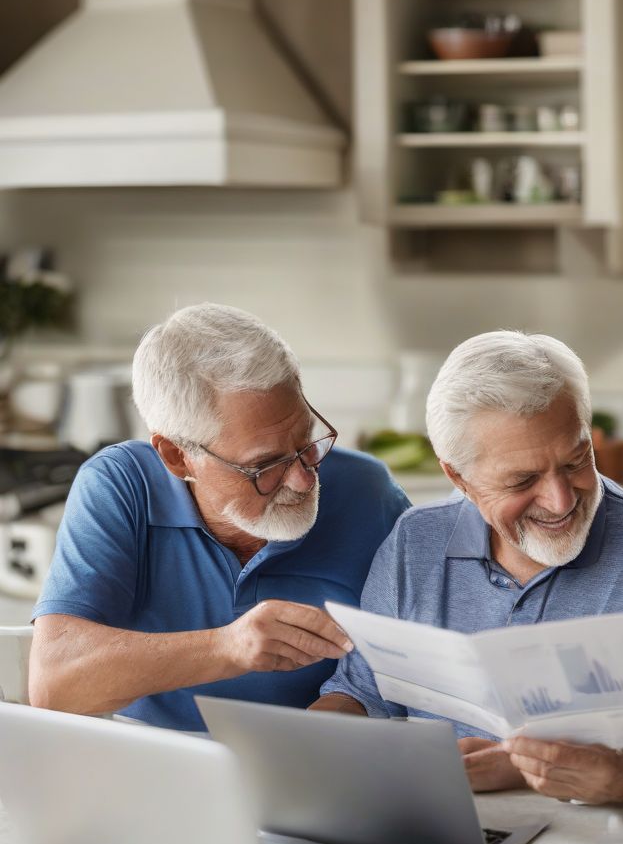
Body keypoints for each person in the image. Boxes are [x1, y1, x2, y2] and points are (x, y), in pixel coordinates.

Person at [312, 330, 623, 803]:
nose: (560, 500)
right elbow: (362, 692)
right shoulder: (415, 541)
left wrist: (610, 772)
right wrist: (303, 746)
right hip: (438, 822)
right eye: (522, 480)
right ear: (458, 477)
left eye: (576, 461)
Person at [30, 303, 408, 731]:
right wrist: (227, 646)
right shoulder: (120, 485)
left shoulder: (368, 491)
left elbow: (414, 662)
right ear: (177, 457)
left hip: (313, 764)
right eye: (265, 466)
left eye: (307, 442)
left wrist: (330, 722)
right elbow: (55, 684)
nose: (304, 480)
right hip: (150, 766)